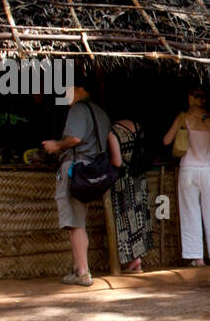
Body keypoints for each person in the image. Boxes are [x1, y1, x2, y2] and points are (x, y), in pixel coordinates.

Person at [41, 79, 111, 286]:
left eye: (68, 89)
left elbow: (75, 139)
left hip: (76, 169)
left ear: (81, 89)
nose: (65, 94)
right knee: (78, 220)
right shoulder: (101, 112)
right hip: (93, 169)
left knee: (75, 223)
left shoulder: (79, 109)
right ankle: (77, 268)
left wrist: (57, 145)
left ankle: (82, 271)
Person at [163, 86, 210, 266]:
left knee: (190, 213)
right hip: (209, 171)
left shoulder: (183, 117)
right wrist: (203, 117)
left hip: (188, 170)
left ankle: (197, 257)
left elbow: (166, 140)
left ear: (190, 98)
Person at [109, 115, 150, 273]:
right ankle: (138, 258)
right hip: (139, 178)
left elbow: (117, 161)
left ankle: (134, 260)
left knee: (126, 219)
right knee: (139, 217)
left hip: (124, 180)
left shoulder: (113, 131)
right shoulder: (137, 126)